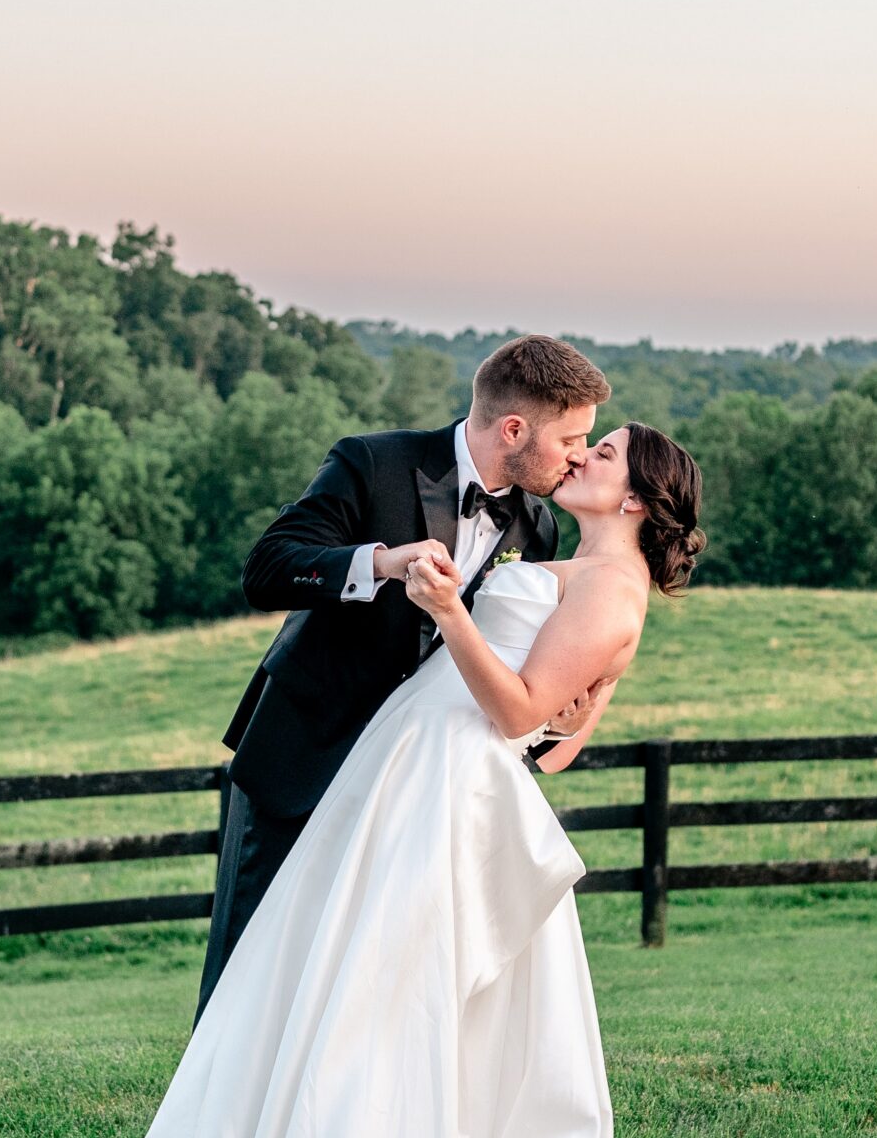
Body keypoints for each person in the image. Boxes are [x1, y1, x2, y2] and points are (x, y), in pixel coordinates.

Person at [124, 419, 706, 1138]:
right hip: (401, 765)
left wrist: (451, 614)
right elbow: (554, 739)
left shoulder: (611, 592)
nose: (582, 456)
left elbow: (515, 710)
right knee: (321, 980)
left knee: (385, 1002)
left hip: (447, 791)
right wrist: (568, 712)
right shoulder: (551, 547)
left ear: (634, 498)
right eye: (582, 440)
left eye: (602, 452)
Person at [198, 334, 613, 1019]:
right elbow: (268, 566)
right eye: (571, 438)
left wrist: (555, 721)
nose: (577, 455)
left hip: (412, 789)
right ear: (514, 427)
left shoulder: (537, 528)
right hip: (307, 754)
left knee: (351, 988)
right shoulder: (375, 461)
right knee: (245, 978)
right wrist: (382, 563)